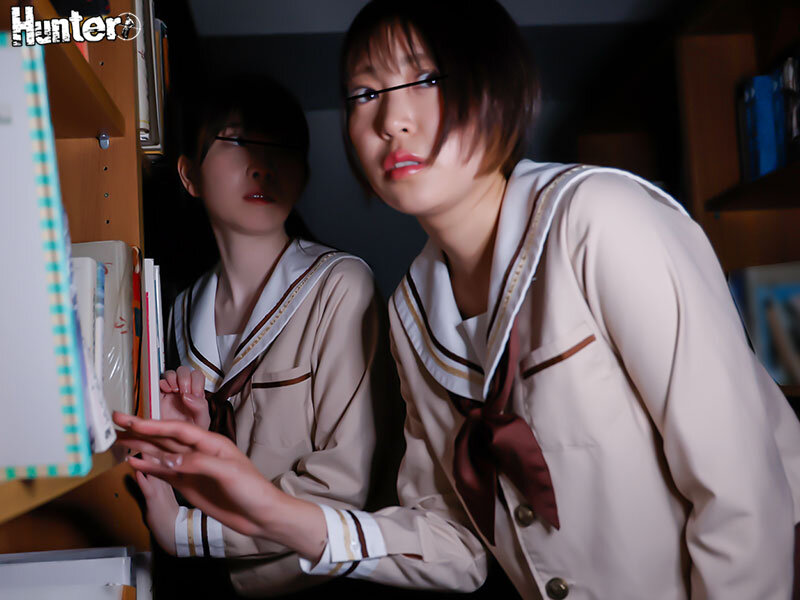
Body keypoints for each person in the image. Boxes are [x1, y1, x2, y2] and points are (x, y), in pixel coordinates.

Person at [115, 1, 800, 598]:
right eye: (364, 93)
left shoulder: (600, 220)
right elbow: (455, 544)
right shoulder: (411, 310)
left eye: (427, 79)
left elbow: (742, 495)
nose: (392, 119)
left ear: (499, 90)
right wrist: (266, 507)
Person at [137, 75, 401, 598]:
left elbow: (340, 489)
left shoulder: (340, 286)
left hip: (324, 588)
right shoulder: (177, 311)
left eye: (282, 147)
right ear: (189, 175)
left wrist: (186, 532)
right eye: (238, 141)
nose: (263, 165)